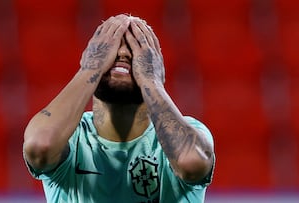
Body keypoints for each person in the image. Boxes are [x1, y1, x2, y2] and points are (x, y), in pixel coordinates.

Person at [23, 14, 215, 203]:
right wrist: (90, 69)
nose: (123, 53)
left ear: (155, 65)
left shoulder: (187, 131)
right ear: (92, 56)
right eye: (110, 47)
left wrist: (151, 81)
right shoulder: (71, 137)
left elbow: (191, 163)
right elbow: (41, 146)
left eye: (136, 47)